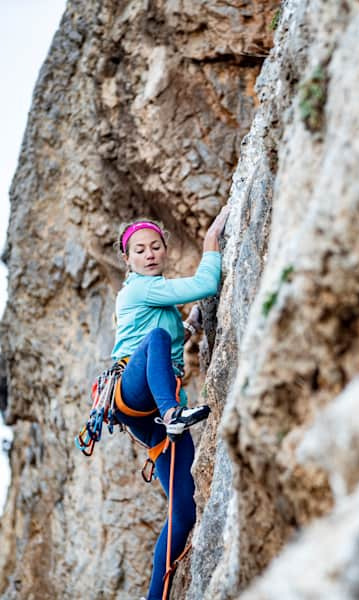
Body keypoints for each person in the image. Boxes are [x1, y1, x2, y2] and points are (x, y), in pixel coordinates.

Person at [111, 205, 230, 600]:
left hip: (152, 415)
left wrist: (192, 323)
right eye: (140, 250)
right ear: (127, 260)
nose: (149, 254)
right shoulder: (140, 287)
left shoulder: (154, 295)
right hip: (136, 393)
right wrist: (212, 242)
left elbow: (170, 328)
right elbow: (205, 284)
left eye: (155, 246)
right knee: (155, 342)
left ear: (163, 249)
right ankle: (174, 414)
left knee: (183, 513)